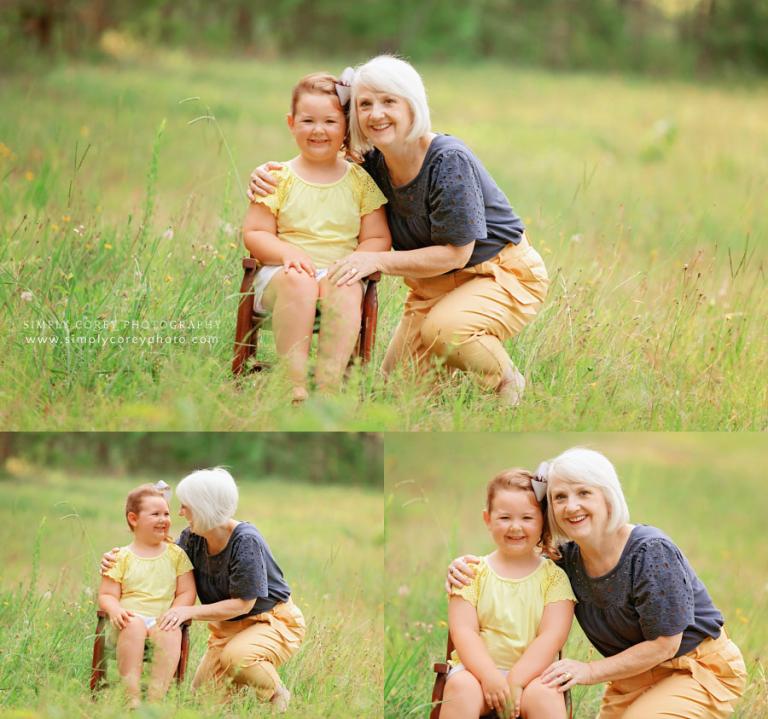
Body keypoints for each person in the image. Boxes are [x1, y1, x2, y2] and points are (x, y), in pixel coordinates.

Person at [250, 56, 548, 405]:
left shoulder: (448, 160)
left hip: (497, 273)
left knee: (445, 331)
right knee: (396, 395)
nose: (376, 114)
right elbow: (316, 161)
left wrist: (375, 261)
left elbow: (457, 253)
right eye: (365, 104)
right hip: (433, 287)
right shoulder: (372, 163)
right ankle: (449, 374)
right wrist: (263, 176)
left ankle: (506, 380)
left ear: (412, 105)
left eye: (389, 101)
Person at [446, 449, 747, 719]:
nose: (571, 506)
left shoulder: (650, 551)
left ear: (607, 496)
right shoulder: (566, 560)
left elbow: (666, 645)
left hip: (696, 669)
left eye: (584, 493)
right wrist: (463, 566)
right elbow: (515, 561)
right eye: (559, 497)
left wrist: (588, 671)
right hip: (634, 679)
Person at [101, 468, 305, 713]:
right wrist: (115, 557)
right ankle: (240, 686)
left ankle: (277, 692)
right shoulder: (192, 538)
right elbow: (163, 559)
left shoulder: (245, 540)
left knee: (237, 657)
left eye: (186, 506)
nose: (180, 512)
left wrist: (187, 611)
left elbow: (243, 605)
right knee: (202, 702)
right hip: (227, 629)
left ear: (203, 507)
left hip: (270, 620)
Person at [242, 71, 391, 403]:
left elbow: (378, 237)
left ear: (346, 128)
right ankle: (294, 383)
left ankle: (327, 384)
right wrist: (285, 253)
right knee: (299, 281)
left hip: (337, 270)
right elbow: (255, 232)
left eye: (330, 121)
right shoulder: (277, 177)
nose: (319, 130)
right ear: (291, 122)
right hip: (282, 275)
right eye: (308, 120)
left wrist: (354, 261)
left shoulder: (359, 181)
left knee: (346, 284)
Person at [443, 469, 575, 719]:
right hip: (477, 672)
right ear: (487, 519)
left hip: (532, 676)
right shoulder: (470, 572)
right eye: (504, 517)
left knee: (545, 694)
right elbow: (464, 631)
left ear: (543, 522)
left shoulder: (554, 578)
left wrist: (516, 681)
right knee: (461, 688)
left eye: (527, 517)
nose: (515, 527)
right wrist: (490, 677)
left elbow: (552, 636)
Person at [97, 483, 196, 708]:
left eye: (166, 513)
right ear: (134, 519)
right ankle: (131, 696)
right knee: (133, 625)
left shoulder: (176, 555)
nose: (164, 519)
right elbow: (107, 594)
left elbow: (187, 591)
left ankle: (155, 699)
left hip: (161, 620)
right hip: (127, 620)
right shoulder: (120, 557)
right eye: (155, 514)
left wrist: (175, 612)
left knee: (170, 630)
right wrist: (115, 610)